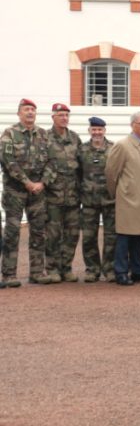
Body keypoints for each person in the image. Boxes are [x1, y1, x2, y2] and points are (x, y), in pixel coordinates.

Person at [1, 99, 51, 286]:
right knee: (12, 233)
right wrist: (27, 182)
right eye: (26, 109)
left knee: (38, 232)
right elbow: (8, 161)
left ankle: (37, 272)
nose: (30, 112)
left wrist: (42, 183)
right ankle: (9, 274)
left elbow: (53, 161)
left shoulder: (44, 135)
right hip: (15, 191)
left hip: (38, 192)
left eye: (33, 109)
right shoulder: (10, 134)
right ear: (19, 113)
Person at [105, 112, 140, 286]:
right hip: (128, 199)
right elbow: (112, 173)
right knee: (125, 237)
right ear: (132, 125)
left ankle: (138, 271)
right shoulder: (122, 145)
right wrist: (119, 194)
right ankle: (121, 271)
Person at [43, 103, 82, 283]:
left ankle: (66, 267)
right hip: (53, 196)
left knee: (72, 233)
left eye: (66, 115)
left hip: (73, 195)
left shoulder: (74, 138)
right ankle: (52, 268)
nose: (64, 118)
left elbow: (81, 167)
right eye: (60, 115)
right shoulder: (44, 137)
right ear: (53, 117)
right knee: (53, 234)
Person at [79, 117, 115, 283]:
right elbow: (76, 174)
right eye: (94, 129)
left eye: (100, 130)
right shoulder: (82, 150)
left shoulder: (113, 149)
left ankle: (109, 269)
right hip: (89, 201)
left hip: (109, 200)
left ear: (105, 131)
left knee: (111, 236)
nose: (97, 133)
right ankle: (92, 269)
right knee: (88, 237)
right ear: (89, 131)